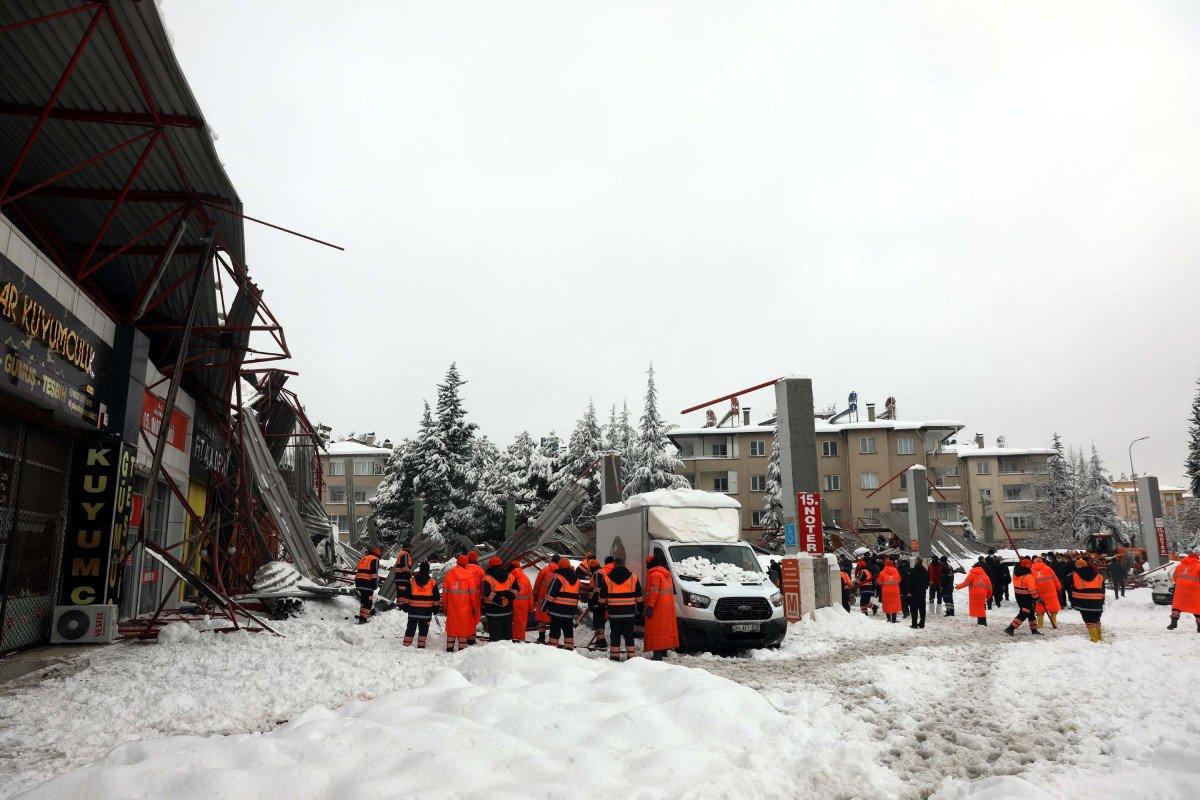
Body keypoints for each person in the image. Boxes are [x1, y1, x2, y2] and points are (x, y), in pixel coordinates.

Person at [598, 557, 642, 661]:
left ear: (614, 565)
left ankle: (614, 656)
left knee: (615, 635)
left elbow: (602, 598)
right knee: (629, 635)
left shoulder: (608, 579)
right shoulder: (633, 578)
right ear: (624, 564)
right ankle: (631, 657)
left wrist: (601, 609)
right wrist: (640, 610)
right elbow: (639, 597)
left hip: (614, 614)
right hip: (629, 614)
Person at [644, 550, 679, 659]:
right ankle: (663, 651)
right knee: (665, 629)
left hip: (657, 606)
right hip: (667, 607)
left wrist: (650, 606)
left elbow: (654, 592)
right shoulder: (666, 574)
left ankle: (657, 654)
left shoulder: (654, 575)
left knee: (656, 630)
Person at [541, 557, 581, 650]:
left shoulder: (558, 578)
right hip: (570, 612)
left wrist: (543, 608)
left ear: (559, 566)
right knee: (568, 631)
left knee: (555, 632)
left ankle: (553, 650)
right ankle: (569, 649)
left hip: (557, 611)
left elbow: (550, 595)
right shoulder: (576, 579)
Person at [442, 554, 480, 651]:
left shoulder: (449, 574)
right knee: (463, 630)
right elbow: (473, 595)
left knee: (451, 628)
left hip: (452, 607)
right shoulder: (469, 576)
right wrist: (475, 608)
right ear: (466, 563)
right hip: (465, 608)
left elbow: (445, 594)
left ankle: (449, 648)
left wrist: (445, 607)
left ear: (457, 562)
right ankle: (462, 649)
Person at [401, 561, 439, 648]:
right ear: (428, 570)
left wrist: (405, 606)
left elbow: (406, 595)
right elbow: (436, 598)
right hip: (426, 612)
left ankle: (407, 644)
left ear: (420, 568)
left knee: (411, 627)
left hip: (413, 610)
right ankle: (421, 645)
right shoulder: (432, 582)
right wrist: (435, 609)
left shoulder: (412, 581)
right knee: (423, 629)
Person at [1067, 557, 1106, 641]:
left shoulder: (1073, 576)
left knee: (1089, 621)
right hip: (1097, 603)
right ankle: (1099, 637)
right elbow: (1103, 590)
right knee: (1096, 620)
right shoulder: (1099, 576)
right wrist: (1102, 600)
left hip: (1083, 603)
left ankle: (1094, 639)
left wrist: (1072, 600)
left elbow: (1069, 589)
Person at [481, 556, 517, 642]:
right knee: (508, 637)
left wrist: (500, 601)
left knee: (496, 639)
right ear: (501, 564)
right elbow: (517, 589)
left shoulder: (487, 578)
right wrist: (507, 599)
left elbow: (487, 594)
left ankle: (497, 654)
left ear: (490, 566)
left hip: (493, 613)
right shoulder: (510, 576)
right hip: (508, 612)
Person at [1005, 557, 1042, 636]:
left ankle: (1034, 630)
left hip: (1018, 596)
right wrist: (1037, 598)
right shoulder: (1029, 576)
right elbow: (1032, 590)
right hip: (1026, 597)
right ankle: (1010, 628)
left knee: (1031, 613)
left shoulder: (1016, 574)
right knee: (1024, 613)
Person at [1166, 549, 1200, 632]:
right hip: (1194, 591)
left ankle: (1174, 622)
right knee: (1197, 608)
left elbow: (1174, 577)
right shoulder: (1198, 566)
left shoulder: (1180, 566)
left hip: (1180, 590)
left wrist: (1180, 584)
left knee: (1177, 606)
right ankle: (1199, 627)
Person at [532, 554, 560, 644]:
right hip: (556, 600)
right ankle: (553, 637)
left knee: (541, 618)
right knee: (553, 619)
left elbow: (537, 586)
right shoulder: (561, 572)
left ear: (551, 561)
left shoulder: (544, 571)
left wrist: (534, 598)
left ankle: (541, 637)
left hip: (542, 600)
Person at [957, 557, 993, 626]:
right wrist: (989, 596)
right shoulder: (985, 575)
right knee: (982, 606)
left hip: (974, 594)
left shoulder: (972, 574)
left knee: (978, 606)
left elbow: (966, 582)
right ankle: (982, 621)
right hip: (983, 594)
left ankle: (981, 621)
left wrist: (958, 586)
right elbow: (990, 586)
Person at [1032, 556, 1063, 630]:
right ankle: (1054, 624)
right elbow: (1055, 578)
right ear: (1042, 562)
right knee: (1053, 608)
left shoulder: (1031, 569)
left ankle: (1040, 625)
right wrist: (1058, 588)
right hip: (1050, 591)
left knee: (1040, 608)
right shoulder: (1048, 568)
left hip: (1038, 591)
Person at [353, 547, 382, 624]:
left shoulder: (364, 558)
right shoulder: (374, 559)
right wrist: (375, 585)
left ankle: (362, 616)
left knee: (364, 600)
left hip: (358, 581)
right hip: (367, 582)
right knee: (368, 602)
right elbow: (374, 574)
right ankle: (363, 619)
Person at [464, 551, 486, 644]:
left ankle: (463, 636)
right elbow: (483, 587)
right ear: (476, 559)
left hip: (464, 597)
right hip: (476, 598)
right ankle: (471, 638)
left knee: (464, 617)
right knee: (473, 619)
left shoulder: (463, 569)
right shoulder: (481, 571)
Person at [509, 560, 533, 642]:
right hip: (523, 604)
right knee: (521, 623)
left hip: (510, 603)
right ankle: (520, 639)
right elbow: (530, 595)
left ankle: (509, 638)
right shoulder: (526, 579)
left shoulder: (509, 578)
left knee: (509, 622)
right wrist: (531, 608)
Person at [876, 559, 902, 623]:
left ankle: (888, 619)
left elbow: (879, 582)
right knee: (894, 604)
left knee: (887, 604)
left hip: (886, 591)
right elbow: (899, 580)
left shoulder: (882, 572)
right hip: (895, 591)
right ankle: (894, 619)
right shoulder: (896, 571)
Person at [906, 557, 929, 629]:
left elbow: (911, 582)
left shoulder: (913, 570)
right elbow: (927, 582)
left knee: (914, 609)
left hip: (914, 592)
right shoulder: (925, 571)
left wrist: (910, 591)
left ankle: (914, 624)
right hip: (922, 592)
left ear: (916, 562)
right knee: (922, 608)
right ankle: (922, 624)